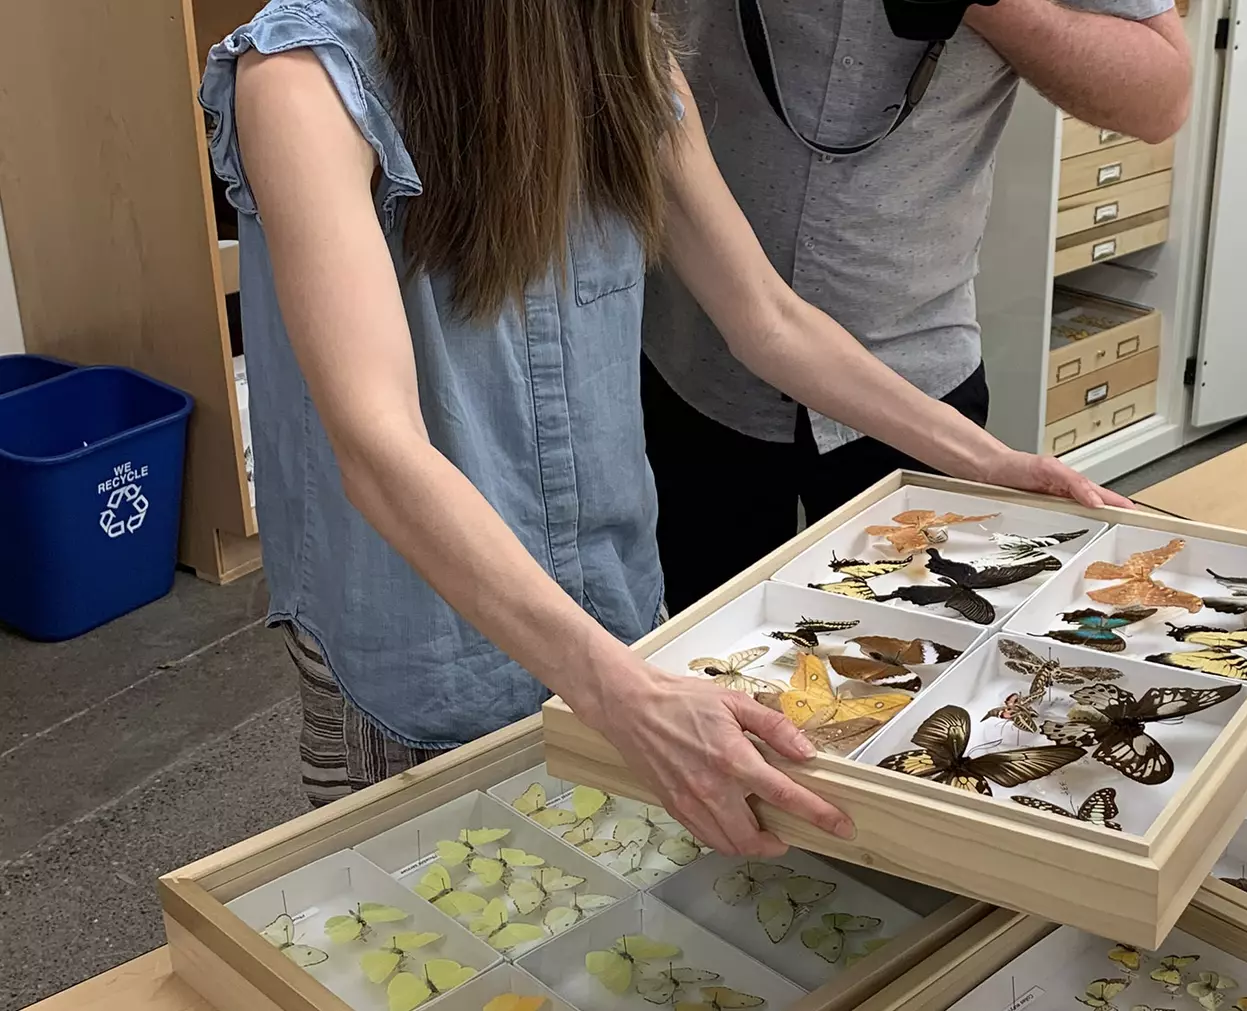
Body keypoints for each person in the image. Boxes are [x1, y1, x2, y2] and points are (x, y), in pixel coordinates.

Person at [198, 0, 1128, 857]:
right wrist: (627, 696)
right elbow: (380, 447)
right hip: (416, 644)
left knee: (609, 919)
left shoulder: (620, 52)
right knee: (422, 918)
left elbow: (766, 314)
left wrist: (995, 461)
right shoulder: (304, 77)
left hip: (614, 601)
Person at [643, 0, 1191, 612]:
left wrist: (993, 7)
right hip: (689, 362)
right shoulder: (625, 65)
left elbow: (1161, 98)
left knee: (911, 646)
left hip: (914, 365)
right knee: (705, 632)